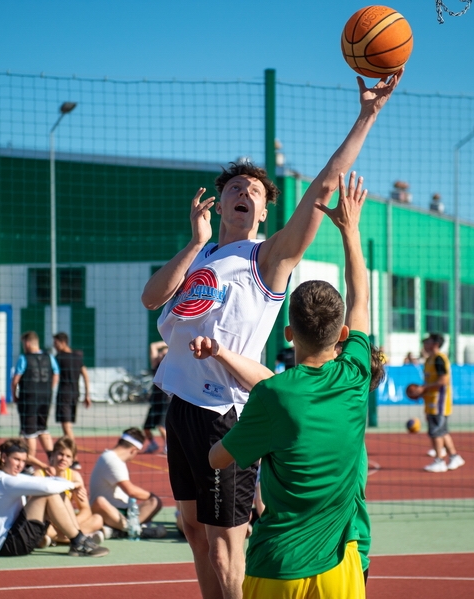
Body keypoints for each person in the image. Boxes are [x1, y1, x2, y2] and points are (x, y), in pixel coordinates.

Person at [140, 71, 402, 599]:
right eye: (234, 187)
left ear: (264, 211)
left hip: (224, 412)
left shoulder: (268, 258)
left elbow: (325, 186)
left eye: (254, 191)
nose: (243, 192)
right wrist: (195, 242)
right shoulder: (206, 254)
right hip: (182, 406)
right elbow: (151, 299)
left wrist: (367, 115)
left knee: (224, 547)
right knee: (192, 533)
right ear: (219, 202)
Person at [199, 172, 376, 597]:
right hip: (343, 563)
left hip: (279, 563)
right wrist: (350, 231)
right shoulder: (355, 375)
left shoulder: (273, 395)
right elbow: (361, 296)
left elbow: (217, 459)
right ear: (343, 335)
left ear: (289, 333)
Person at [0, 438, 108, 557]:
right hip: (7, 546)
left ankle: (77, 539)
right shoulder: (3, 480)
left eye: (23, 461)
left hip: (13, 538)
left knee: (58, 492)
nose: (20, 465)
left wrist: (72, 485)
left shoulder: (8, 477)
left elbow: (51, 482)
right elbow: (47, 488)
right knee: (48, 494)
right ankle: (78, 541)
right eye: (16, 459)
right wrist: (74, 485)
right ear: (4, 457)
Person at [89, 427, 165, 538]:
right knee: (100, 501)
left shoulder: (115, 459)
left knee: (154, 502)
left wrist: (152, 499)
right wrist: (151, 496)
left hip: (124, 512)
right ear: (134, 450)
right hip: (109, 512)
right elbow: (131, 491)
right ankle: (133, 530)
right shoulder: (111, 459)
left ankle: (119, 531)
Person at [34, 436, 104, 545]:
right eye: (60, 454)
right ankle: (80, 537)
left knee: (97, 519)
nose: (63, 459)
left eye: (68, 456)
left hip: (68, 523)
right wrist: (64, 526)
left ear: (72, 461)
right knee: (45, 529)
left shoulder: (74, 476)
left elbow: (86, 510)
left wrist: (68, 525)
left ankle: (57, 538)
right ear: (52, 455)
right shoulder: (39, 474)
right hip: (47, 522)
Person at [418, 333, 465, 473]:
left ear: (435, 344)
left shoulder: (439, 359)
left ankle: (439, 460)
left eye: (427, 341)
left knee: (436, 432)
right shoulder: (429, 360)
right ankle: (454, 457)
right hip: (431, 401)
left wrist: (424, 388)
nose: (424, 344)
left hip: (440, 401)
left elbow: (443, 380)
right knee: (442, 431)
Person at [10, 331, 59, 467]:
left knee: (30, 433)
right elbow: (56, 374)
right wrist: (49, 388)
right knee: (43, 429)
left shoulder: (24, 358)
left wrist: (14, 395)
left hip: (29, 398)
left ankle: (29, 464)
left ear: (27, 343)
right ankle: (52, 458)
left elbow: (15, 380)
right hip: (46, 397)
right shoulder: (49, 356)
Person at [52, 332, 92, 469]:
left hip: (64, 395)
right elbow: (86, 375)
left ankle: (74, 458)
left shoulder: (59, 357)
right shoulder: (77, 357)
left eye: (55, 343)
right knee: (67, 428)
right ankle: (71, 456)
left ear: (62, 342)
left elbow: (54, 375)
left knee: (67, 428)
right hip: (75, 394)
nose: (54, 346)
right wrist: (87, 394)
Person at [142, 341, 169, 454]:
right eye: (160, 353)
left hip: (166, 400)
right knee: (146, 427)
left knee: (161, 426)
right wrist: (167, 341)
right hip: (155, 400)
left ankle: (168, 446)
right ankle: (153, 444)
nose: (160, 355)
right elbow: (153, 346)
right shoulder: (156, 365)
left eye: (163, 354)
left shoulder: (170, 366)